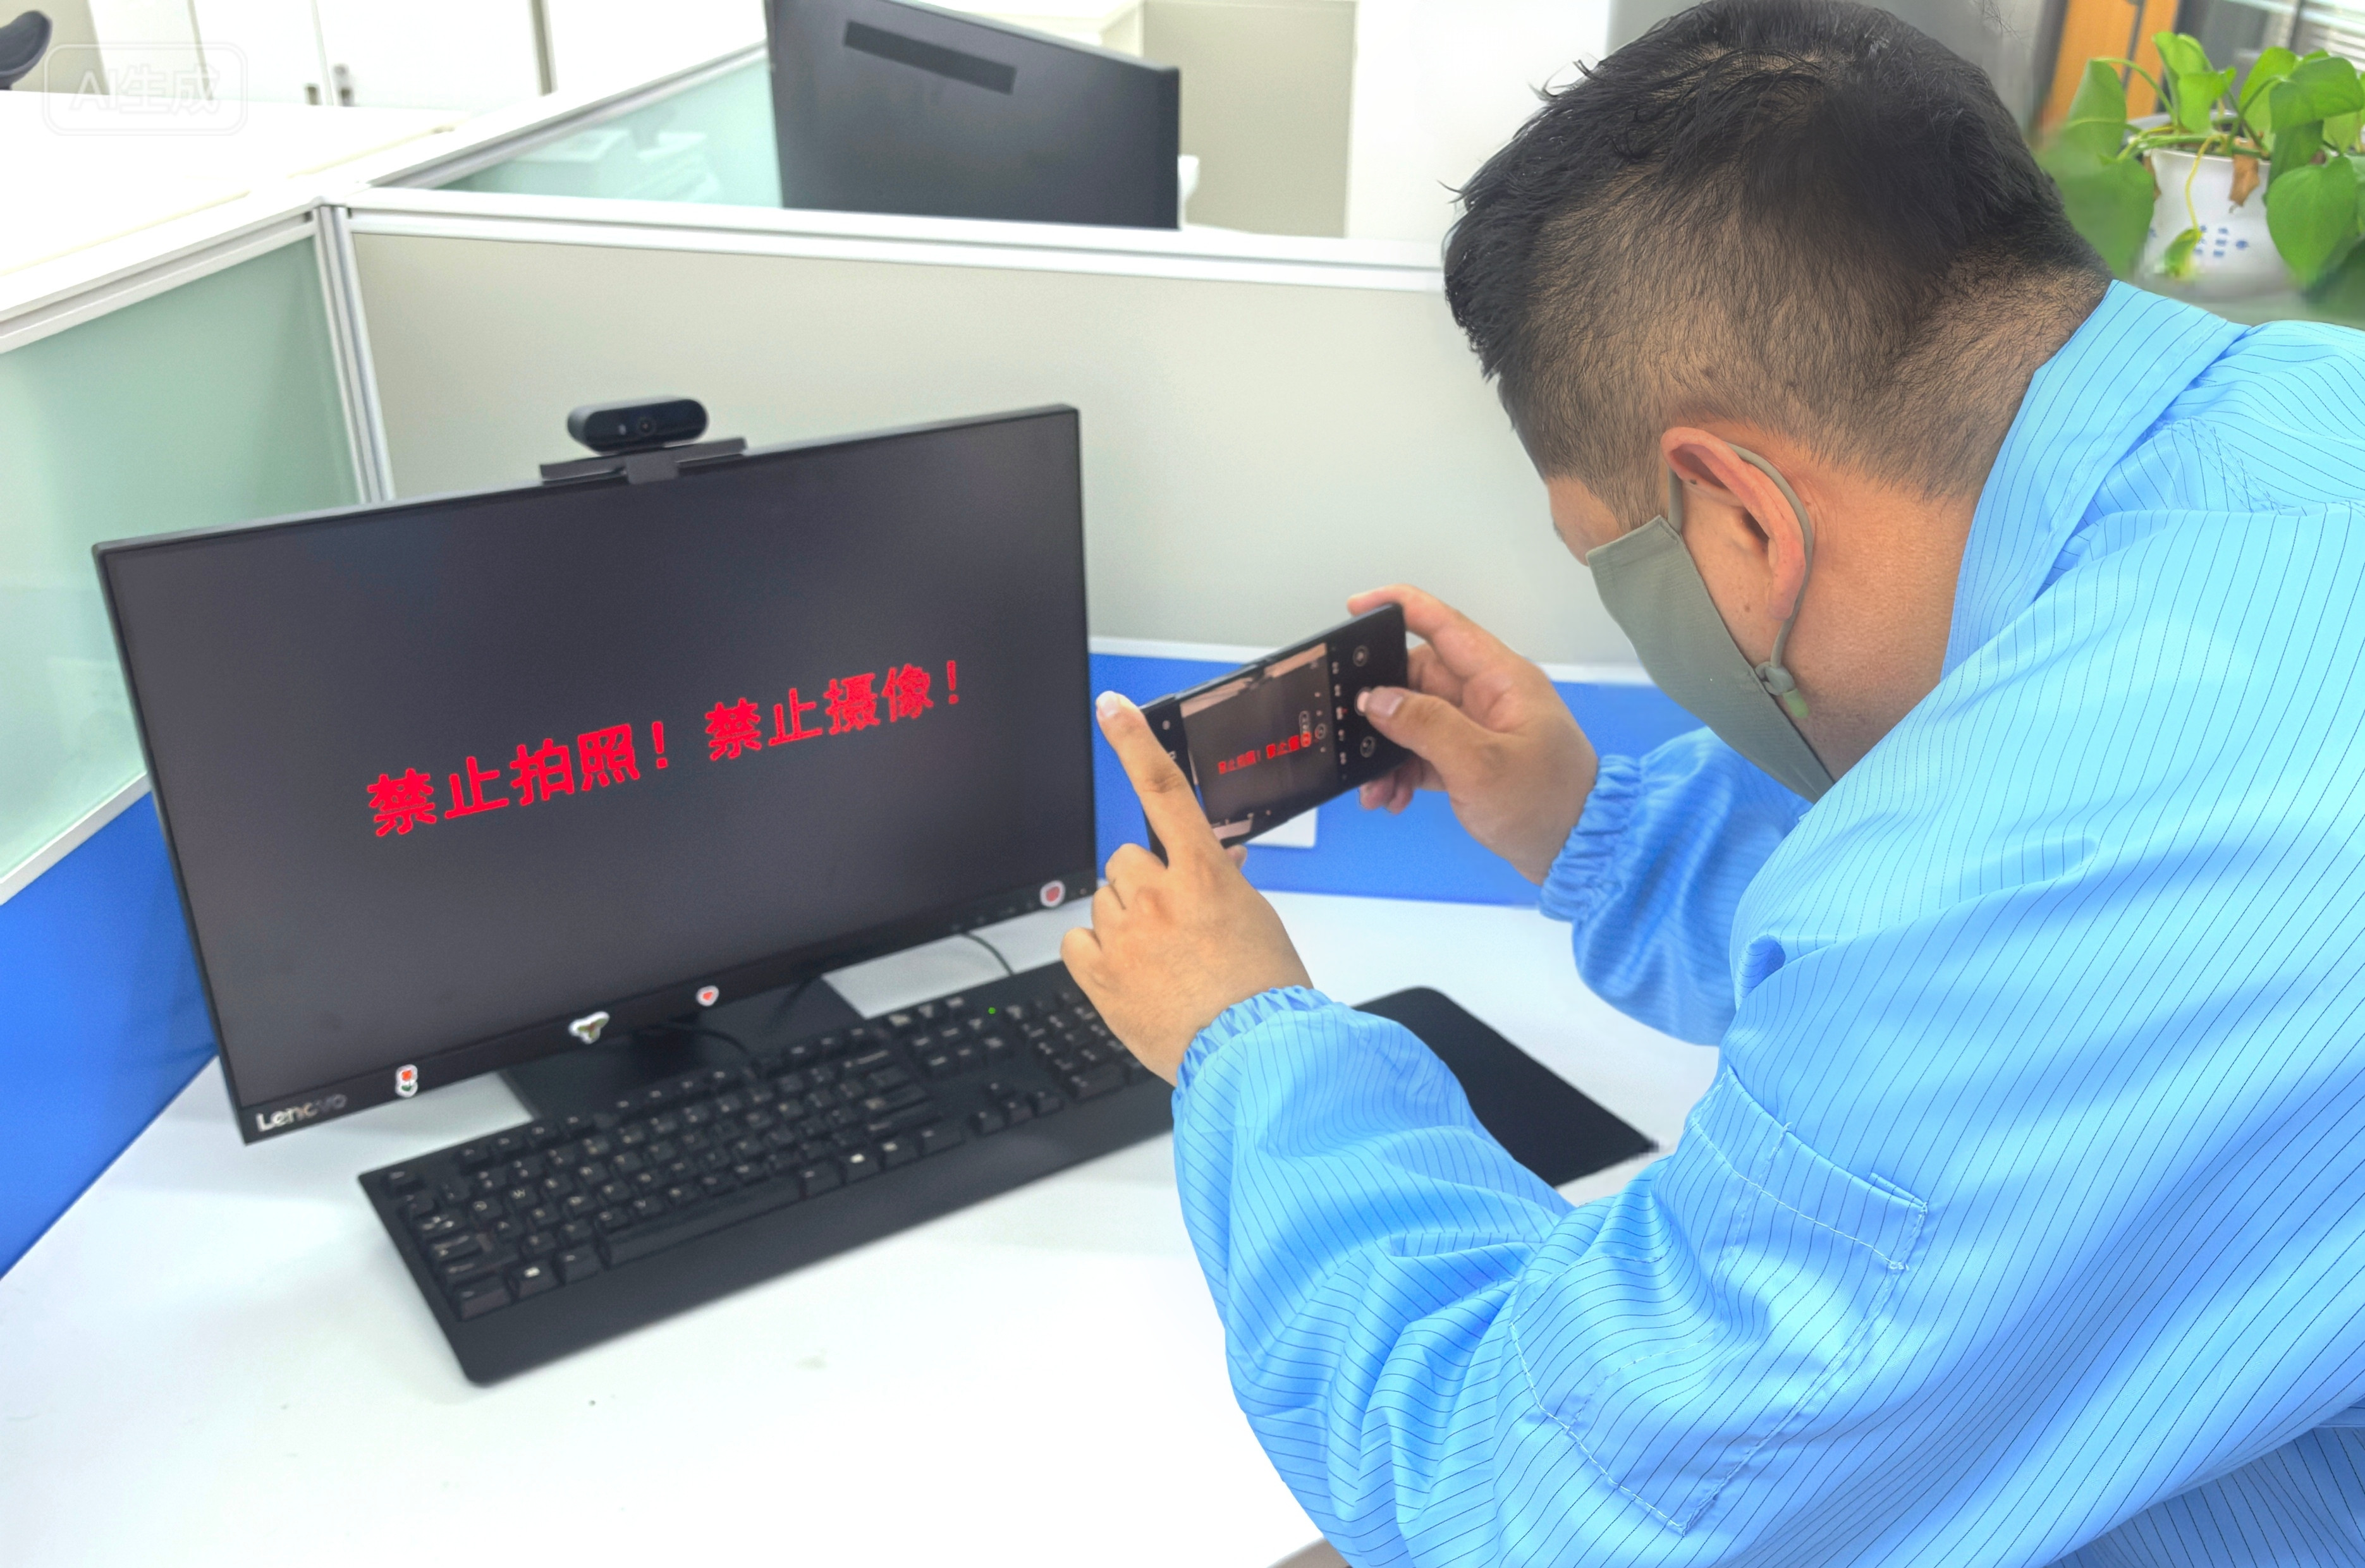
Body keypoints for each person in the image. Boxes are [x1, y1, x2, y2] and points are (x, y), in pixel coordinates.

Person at [1060, 1, 2365, 1562]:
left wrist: (1246, 1037)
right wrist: (1590, 822)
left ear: (1738, 515)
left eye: (1609, 560)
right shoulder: (2301, 411)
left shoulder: (2044, 881)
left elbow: (1530, 1499)